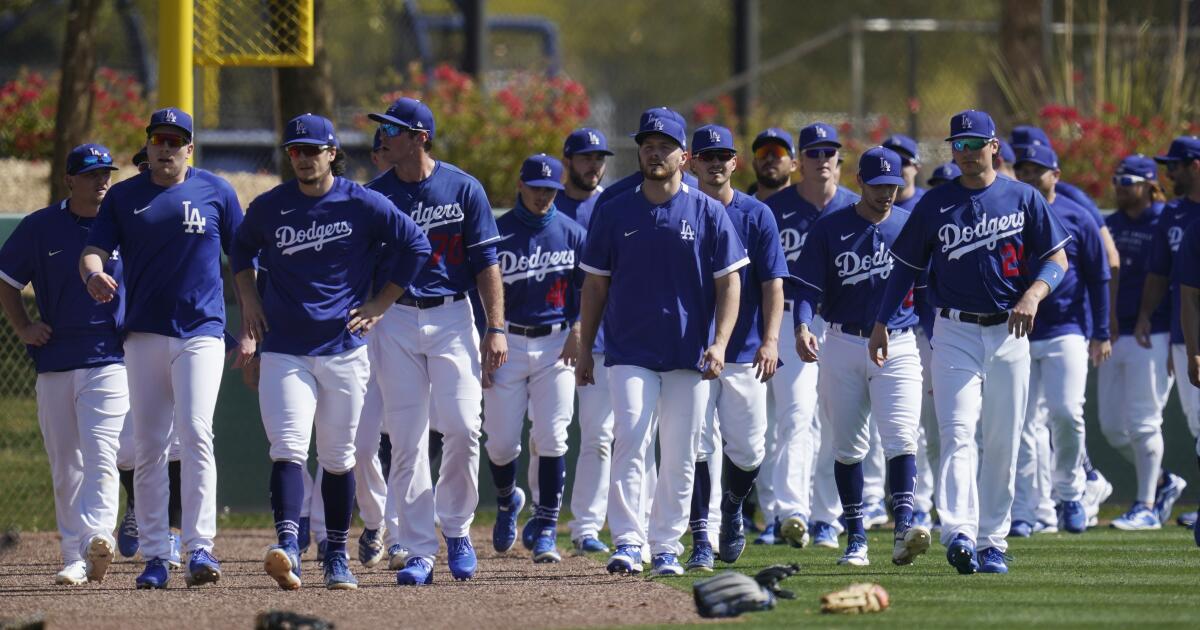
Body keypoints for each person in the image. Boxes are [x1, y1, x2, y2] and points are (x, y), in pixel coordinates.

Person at [232, 114, 431, 590]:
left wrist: (382, 302)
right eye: (295, 150)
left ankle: (336, 555)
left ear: (332, 153)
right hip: (285, 349)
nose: (302, 158)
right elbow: (240, 250)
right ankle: (287, 544)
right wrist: (250, 301)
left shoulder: (361, 202)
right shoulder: (270, 206)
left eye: (312, 150)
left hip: (343, 349)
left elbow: (415, 245)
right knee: (287, 447)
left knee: (339, 457)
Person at [868, 110, 1070, 575]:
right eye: (958, 144)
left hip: (1009, 331)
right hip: (953, 329)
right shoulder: (937, 203)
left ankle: (992, 540)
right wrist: (881, 321)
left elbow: (1057, 258)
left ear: (994, 145)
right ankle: (959, 531)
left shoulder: (1022, 197)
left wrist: (1035, 294)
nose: (966, 152)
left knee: (1002, 440)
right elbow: (906, 268)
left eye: (975, 143)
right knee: (957, 434)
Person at [577, 112, 747, 577]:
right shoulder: (614, 209)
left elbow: (730, 282)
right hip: (628, 351)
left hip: (688, 356)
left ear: (684, 157)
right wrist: (585, 348)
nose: (655, 152)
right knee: (630, 438)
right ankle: (630, 543)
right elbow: (594, 286)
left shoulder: (708, 212)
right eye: (648, 144)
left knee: (679, 451)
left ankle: (667, 544)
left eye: (666, 144)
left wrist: (721, 342)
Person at [80, 108, 245, 589]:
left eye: (176, 140)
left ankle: (200, 547)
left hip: (201, 331)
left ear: (189, 148)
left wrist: (252, 322)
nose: (166, 148)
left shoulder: (216, 191)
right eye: (159, 139)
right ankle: (156, 553)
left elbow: (243, 259)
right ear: (148, 146)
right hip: (145, 333)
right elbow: (92, 249)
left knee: (195, 434)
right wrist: (93, 273)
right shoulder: (126, 196)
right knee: (150, 446)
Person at [365, 97, 506, 585]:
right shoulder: (375, 194)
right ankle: (421, 549)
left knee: (465, 427)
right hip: (396, 320)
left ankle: (458, 528)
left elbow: (487, 263)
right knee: (406, 442)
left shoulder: (463, 187)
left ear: (420, 137)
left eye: (394, 130)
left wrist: (496, 326)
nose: (384, 137)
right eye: (383, 129)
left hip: (451, 315)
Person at [795, 145, 930, 567]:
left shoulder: (910, 226)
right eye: (878, 185)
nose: (887, 193)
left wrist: (937, 338)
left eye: (892, 185)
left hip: (899, 343)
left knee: (902, 437)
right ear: (860, 183)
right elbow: (806, 289)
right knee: (849, 447)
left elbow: (926, 292)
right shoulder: (830, 228)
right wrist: (801, 325)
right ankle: (855, 537)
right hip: (843, 341)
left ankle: (903, 527)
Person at [0, 144, 125, 585]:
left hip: (111, 359)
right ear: (70, 180)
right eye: (92, 174)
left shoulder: (122, 222)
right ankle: (74, 555)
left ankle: (97, 539)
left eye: (106, 173)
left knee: (102, 455)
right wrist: (23, 327)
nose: (102, 181)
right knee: (65, 464)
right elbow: (6, 280)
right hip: (54, 361)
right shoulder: (40, 226)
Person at [686, 124, 787, 571]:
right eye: (706, 154)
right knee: (698, 445)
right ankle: (701, 537)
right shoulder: (680, 209)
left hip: (745, 349)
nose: (714, 162)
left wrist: (770, 339)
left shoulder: (756, 214)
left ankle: (731, 508)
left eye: (722, 155)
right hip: (692, 350)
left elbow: (772, 282)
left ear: (734, 162)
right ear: (691, 161)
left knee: (748, 449)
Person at [761, 122, 860, 550]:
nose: (822, 160)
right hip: (787, 320)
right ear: (797, 161)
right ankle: (791, 511)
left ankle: (826, 517)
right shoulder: (773, 208)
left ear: (839, 159)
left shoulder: (856, 207)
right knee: (796, 416)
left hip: (839, 323)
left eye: (828, 152)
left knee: (836, 421)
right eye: (813, 152)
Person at [483, 154, 585, 564]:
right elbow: (481, 292)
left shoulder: (573, 233)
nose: (544, 196)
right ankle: (508, 501)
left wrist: (578, 328)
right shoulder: (497, 231)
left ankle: (545, 527)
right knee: (501, 442)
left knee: (552, 436)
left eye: (552, 190)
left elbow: (590, 290)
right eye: (537, 187)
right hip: (508, 341)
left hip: (556, 341)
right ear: (521, 187)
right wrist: (487, 336)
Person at [1010, 144, 1111, 535]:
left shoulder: (1078, 216)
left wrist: (1101, 331)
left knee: (1066, 413)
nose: (1031, 175)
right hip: (1018, 331)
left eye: (1038, 169)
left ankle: (1070, 493)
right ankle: (1029, 509)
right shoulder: (1010, 214)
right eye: (1024, 169)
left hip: (1067, 328)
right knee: (1022, 423)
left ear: (1056, 175)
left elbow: (1099, 277)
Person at [1099, 155, 1176, 531]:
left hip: (1155, 332)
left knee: (1145, 423)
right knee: (1112, 426)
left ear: (1149, 184)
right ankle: (1163, 481)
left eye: (1127, 180)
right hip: (1115, 333)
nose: (1120, 186)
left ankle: (1146, 504)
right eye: (1116, 179)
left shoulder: (1166, 219)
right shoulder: (1110, 223)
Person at [556, 128, 616, 555]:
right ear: (568, 162)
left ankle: (590, 526)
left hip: (609, 337)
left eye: (599, 158)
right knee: (556, 435)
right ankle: (551, 520)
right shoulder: (549, 204)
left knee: (606, 435)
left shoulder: (613, 205)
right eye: (585, 157)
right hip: (553, 336)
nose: (593, 165)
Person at [1137, 136, 1200, 527]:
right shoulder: (1174, 214)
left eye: (1174, 164)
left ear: (1194, 165)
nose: (1168, 172)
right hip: (1187, 332)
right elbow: (1160, 272)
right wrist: (1145, 314)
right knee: (1197, 423)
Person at [749, 128, 797, 202]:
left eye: (778, 152)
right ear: (754, 164)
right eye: (762, 152)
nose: (769, 159)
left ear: (793, 165)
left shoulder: (807, 209)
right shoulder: (740, 210)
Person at [882, 134, 925, 211]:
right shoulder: (869, 204)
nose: (895, 168)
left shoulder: (930, 203)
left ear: (917, 167)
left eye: (902, 161)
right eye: (889, 162)